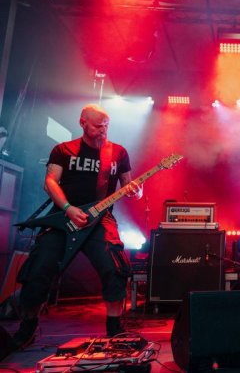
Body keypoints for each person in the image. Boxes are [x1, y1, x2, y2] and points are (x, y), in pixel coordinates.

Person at [3, 104, 142, 355]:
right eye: (98, 126)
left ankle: (114, 329)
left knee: (115, 268)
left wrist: (137, 191)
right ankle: (28, 327)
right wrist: (68, 208)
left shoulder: (118, 152)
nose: (103, 130)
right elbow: (50, 182)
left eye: (106, 126)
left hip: (100, 219)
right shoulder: (63, 150)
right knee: (38, 269)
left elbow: (129, 186)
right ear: (82, 123)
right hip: (63, 218)